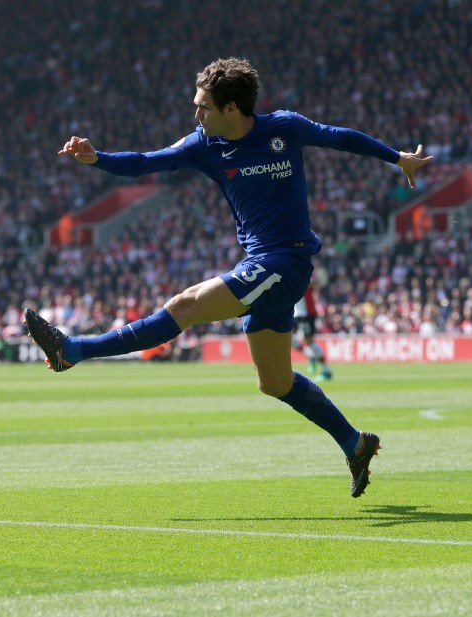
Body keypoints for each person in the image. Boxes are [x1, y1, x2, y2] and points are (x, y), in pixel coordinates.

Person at [29, 57, 432, 498]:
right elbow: (147, 162)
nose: (196, 115)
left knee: (185, 306)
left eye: (203, 107)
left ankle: (73, 350)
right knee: (274, 382)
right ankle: (355, 443)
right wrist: (97, 159)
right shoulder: (204, 145)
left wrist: (397, 159)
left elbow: (340, 137)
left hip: (286, 262)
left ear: (233, 108)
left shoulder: (283, 127)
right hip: (263, 266)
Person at [293, 283, 332, 380]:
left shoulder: (303, 271)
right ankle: (310, 356)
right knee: (288, 340)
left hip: (306, 314)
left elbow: (315, 282)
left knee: (309, 342)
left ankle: (326, 371)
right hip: (295, 314)